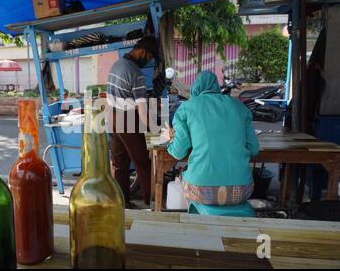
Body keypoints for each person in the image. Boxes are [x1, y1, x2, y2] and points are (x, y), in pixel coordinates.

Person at [167, 71, 259, 206]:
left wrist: (170, 141)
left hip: (200, 190)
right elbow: (254, 149)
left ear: (196, 87)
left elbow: (178, 151)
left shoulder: (186, 108)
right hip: (243, 189)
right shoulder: (239, 107)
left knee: (182, 177)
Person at [106, 36, 159, 208]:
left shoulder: (117, 64)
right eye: (150, 57)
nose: (149, 62)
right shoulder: (137, 74)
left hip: (111, 117)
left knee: (120, 164)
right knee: (143, 162)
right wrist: (155, 131)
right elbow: (142, 111)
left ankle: (123, 202)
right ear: (143, 52)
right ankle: (151, 201)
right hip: (127, 120)